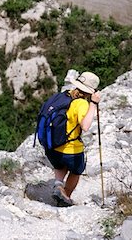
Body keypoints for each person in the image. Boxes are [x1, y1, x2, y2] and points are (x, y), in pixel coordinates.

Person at [46, 71, 100, 207]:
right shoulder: (81, 103)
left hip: (51, 146)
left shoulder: (64, 96)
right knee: (76, 170)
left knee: (60, 164)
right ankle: (65, 197)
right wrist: (93, 104)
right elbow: (85, 126)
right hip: (70, 151)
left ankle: (58, 184)